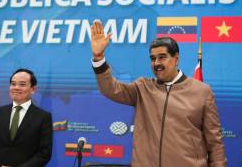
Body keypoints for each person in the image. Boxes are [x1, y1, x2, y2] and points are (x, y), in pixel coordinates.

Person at [90, 21, 226, 167]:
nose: (156, 63)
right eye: (153, 58)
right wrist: (99, 58)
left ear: (176, 58)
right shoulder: (142, 88)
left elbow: (214, 143)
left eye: (162, 57)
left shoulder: (202, 91)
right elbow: (110, 89)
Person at [0, 68, 52, 167]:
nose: (16, 87)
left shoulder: (43, 117)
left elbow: (44, 153)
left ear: (33, 89)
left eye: (22, 84)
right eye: (13, 84)